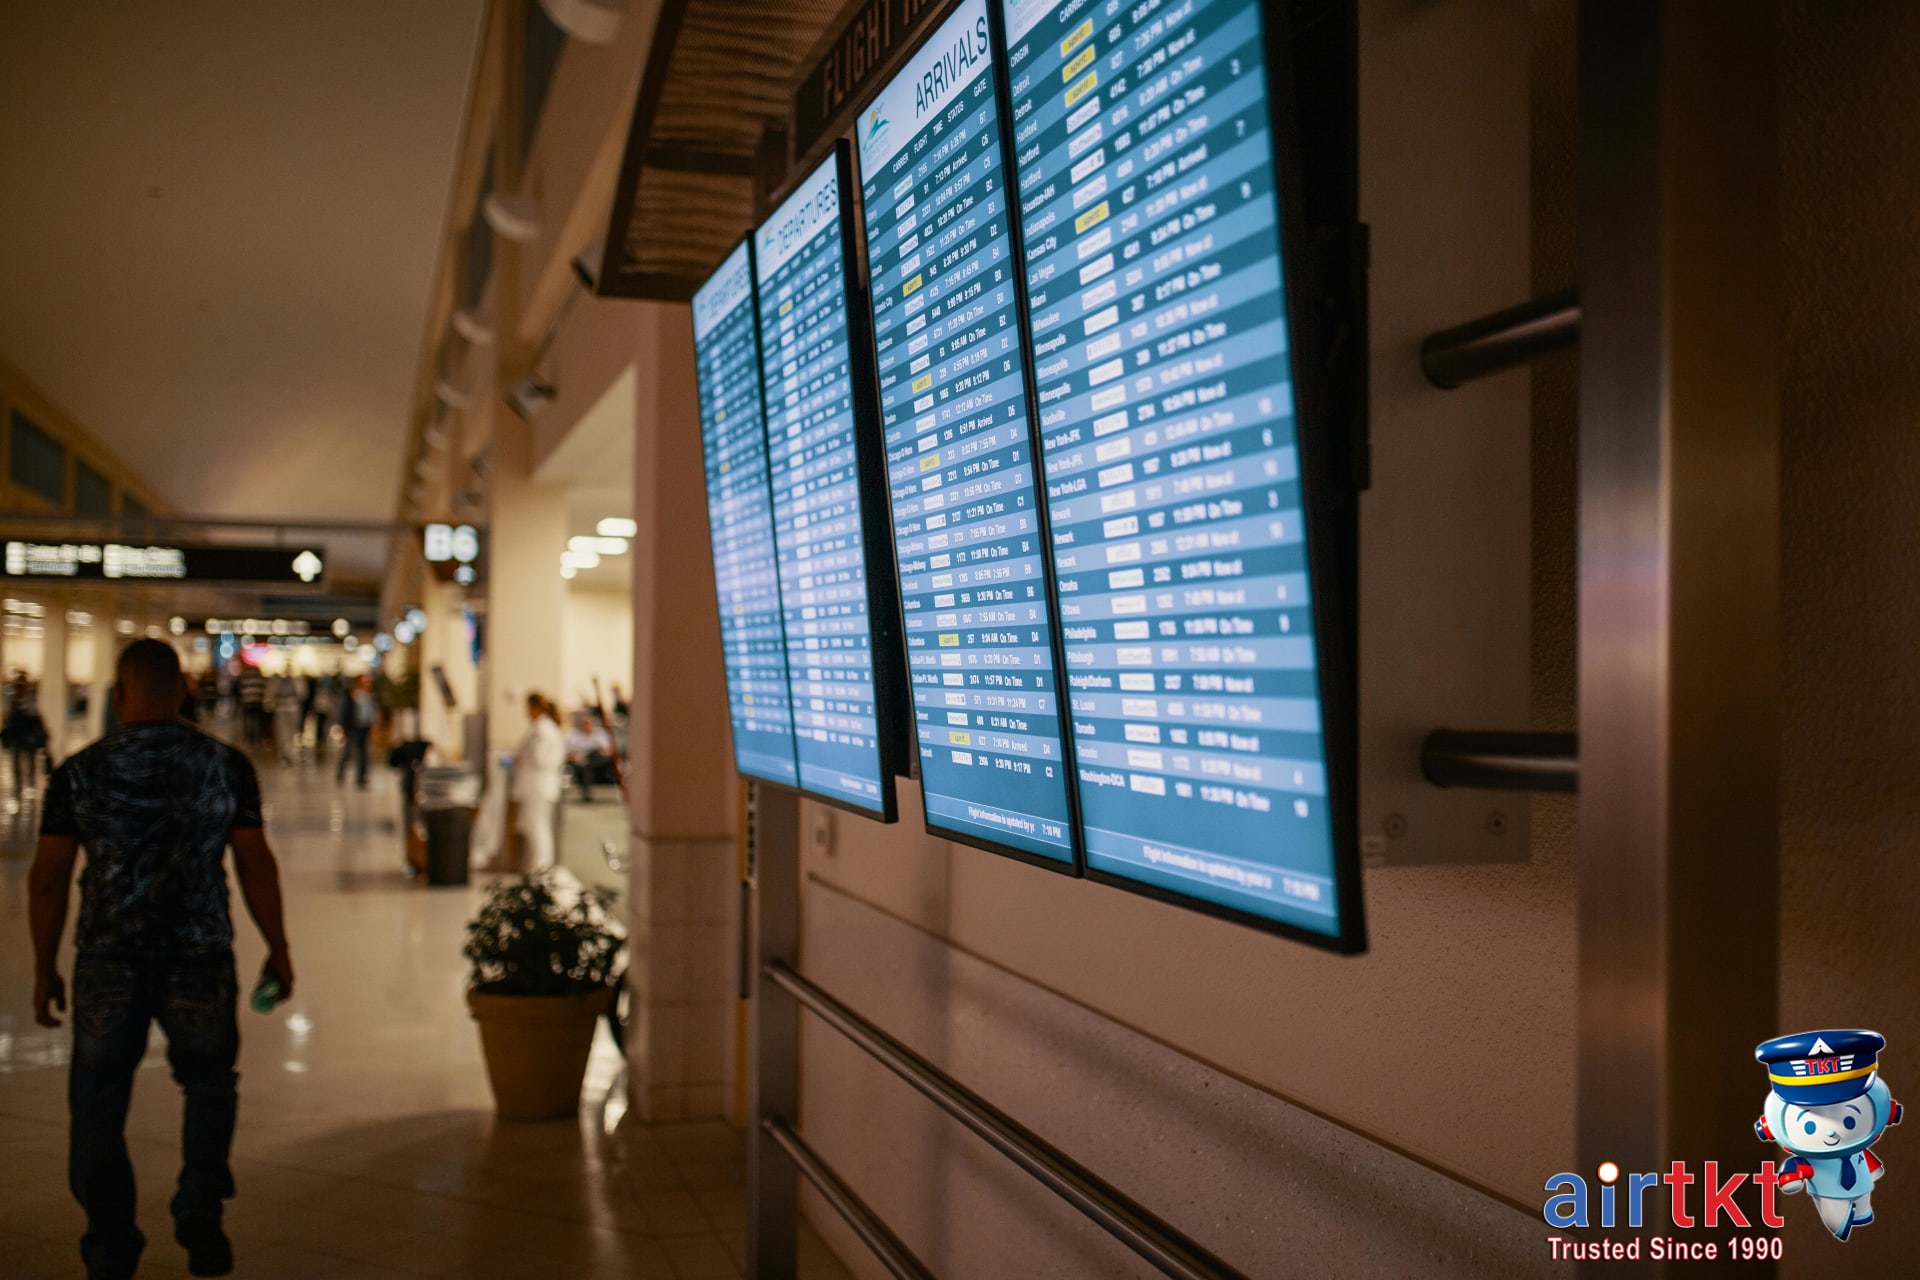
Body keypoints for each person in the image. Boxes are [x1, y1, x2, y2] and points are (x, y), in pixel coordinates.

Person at [27, 639, 293, 1280]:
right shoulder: (224, 766)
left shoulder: (78, 772)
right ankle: (198, 1205)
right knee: (208, 1086)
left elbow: (48, 877)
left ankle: (112, 1243)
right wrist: (278, 947)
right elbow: (254, 862)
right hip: (198, 958)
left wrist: (44, 967)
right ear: (180, 691)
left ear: (119, 694)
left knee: (96, 1109)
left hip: (107, 963)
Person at [512, 693, 565, 871]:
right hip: (540, 785)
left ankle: (540, 868)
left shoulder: (542, 730)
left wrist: (521, 760)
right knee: (535, 826)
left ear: (535, 707)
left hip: (537, 785)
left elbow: (539, 757)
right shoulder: (545, 727)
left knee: (537, 827)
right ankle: (539, 866)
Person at [2, 679, 50, 795]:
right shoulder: (14, 703)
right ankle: (21, 786)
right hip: (19, 739)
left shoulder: (28, 704)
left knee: (28, 764)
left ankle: (28, 785)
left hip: (26, 740)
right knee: (19, 764)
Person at [335, 673, 375, 790]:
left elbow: (371, 713)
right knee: (348, 752)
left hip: (364, 727)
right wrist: (344, 728)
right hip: (353, 727)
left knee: (364, 754)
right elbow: (344, 712)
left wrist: (373, 726)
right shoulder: (351, 694)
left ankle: (361, 778)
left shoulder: (369, 695)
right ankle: (341, 774)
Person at [563, 711, 612, 802]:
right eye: (584, 724)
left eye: (589, 723)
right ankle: (587, 794)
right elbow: (567, 754)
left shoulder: (600, 734)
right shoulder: (574, 735)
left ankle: (587, 794)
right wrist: (575, 757)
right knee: (586, 767)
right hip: (579, 763)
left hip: (598, 762)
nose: (586, 726)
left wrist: (599, 752)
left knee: (590, 761)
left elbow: (608, 752)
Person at [234, 663, 266, 750]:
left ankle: (249, 739)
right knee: (257, 721)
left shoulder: (245, 676)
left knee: (248, 721)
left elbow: (240, 689)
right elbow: (264, 689)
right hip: (257, 702)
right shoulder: (260, 676)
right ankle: (256, 739)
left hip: (247, 702)